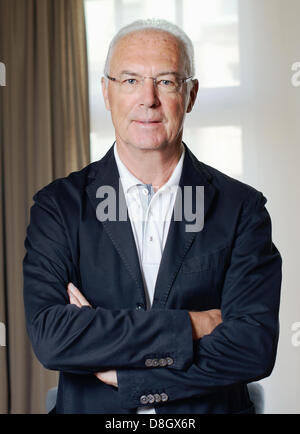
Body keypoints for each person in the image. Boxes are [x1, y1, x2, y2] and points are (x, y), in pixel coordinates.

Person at [23, 19, 282, 414]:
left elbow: (252, 349)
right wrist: (193, 326)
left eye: (166, 81)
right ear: (106, 92)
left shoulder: (242, 209)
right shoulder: (57, 207)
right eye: (129, 81)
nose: (148, 98)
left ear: (190, 94)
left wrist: (130, 377)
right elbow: (52, 337)